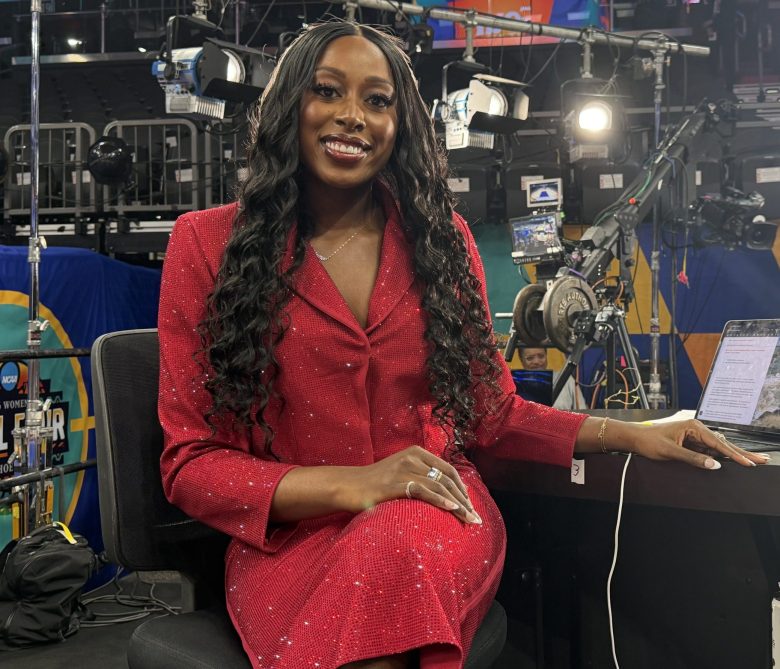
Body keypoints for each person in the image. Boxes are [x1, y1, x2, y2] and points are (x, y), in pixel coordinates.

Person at [157, 21, 768, 669]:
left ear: (402, 124)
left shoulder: (442, 240)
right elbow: (191, 462)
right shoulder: (206, 243)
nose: (352, 116)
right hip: (290, 548)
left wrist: (628, 431)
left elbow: (492, 413)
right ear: (290, 106)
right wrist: (355, 485)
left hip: (437, 517)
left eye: (378, 99)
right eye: (328, 91)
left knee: (397, 545)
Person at [519, 346, 586, 410]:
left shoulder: (566, 380)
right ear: (521, 360)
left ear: (546, 356)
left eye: (541, 356)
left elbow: (582, 410)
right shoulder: (515, 385)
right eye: (530, 358)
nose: (536, 361)